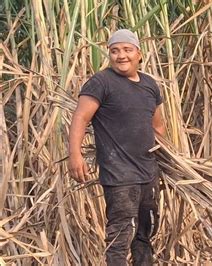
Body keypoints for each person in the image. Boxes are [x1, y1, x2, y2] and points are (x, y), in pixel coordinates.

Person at [68, 29, 165, 265]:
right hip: (119, 175)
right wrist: (75, 155)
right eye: (115, 50)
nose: (121, 55)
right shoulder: (101, 82)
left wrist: (166, 162)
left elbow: (159, 127)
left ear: (139, 54)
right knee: (120, 235)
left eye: (127, 50)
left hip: (148, 173)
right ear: (109, 54)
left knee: (145, 232)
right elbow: (80, 118)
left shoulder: (150, 85)